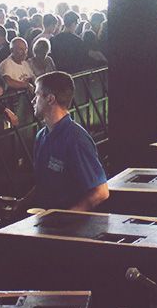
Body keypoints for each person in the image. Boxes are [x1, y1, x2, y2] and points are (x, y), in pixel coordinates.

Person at [23, 72, 108, 212]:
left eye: (36, 95)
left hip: (71, 224)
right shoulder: (41, 136)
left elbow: (101, 192)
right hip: (45, 219)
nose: (32, 101)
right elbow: (43, 184)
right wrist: (21, 203)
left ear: (50, 99)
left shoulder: (76, 139)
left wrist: (65, 218)